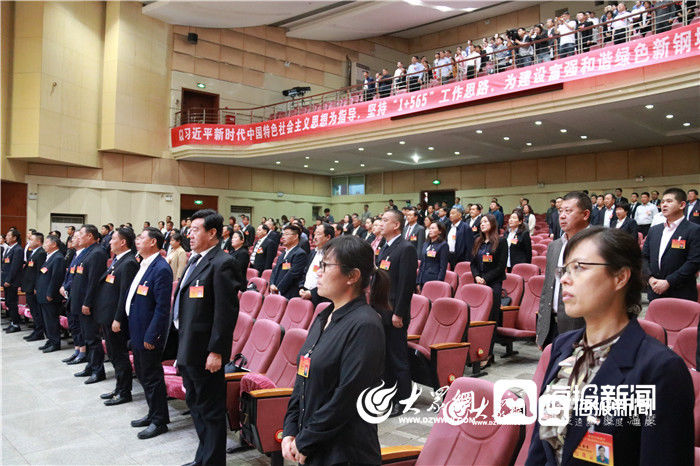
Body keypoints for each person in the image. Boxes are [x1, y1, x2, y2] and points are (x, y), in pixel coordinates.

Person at [526, 227, 694, 466]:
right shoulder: (563, 347)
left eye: (579, 267)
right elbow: (540, 447)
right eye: (564, 270)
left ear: (620, 277)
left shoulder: (660, 370)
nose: (564, 279)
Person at [282, 235, 387, 465]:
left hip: (344, 452)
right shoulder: (323, 316)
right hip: (314, 444)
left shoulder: (365, 325)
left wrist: (305, 441)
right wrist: (290, 429)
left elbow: (347, 397)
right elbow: (302, 377)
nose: (318, 271)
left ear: (352, 276)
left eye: (326, 266)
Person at [173, 209, 240, 465]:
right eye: (189, 230)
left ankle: (212, 461)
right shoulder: (195, 260)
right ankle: (203, 457)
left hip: (205, 352)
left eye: (196, 230)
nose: (189, 235)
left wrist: (217, 351)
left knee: (210, 410)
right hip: (188, 346)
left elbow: (226, 313)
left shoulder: (223, 263)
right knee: (197, 407)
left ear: (212, 233)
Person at [124, 227, 173, 439]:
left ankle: (160, 421)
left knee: (152, 377)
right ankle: (152, 413)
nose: (137, 240)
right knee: (144, 375)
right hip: (137, 329)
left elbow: (162, 308)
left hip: (148, 334)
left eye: (141, 237)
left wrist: (152, 336)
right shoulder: (144, 264)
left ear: (153, 242)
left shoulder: (161, 268)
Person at [536, 191, 591, 349]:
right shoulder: (555, 246)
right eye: (560, 211)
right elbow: (547, 288)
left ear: (585, 214)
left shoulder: (598, 244)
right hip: (552, 326)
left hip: (581, 326)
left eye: (568, 211)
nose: (562, 216)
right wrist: (542, 329)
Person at [376, 209, 417, 417]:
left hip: (395, 313)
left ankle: (404, 398)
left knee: (398, 357)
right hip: (381, 311)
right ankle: (389, 395)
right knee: (385, 357)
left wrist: (399, 313)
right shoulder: (384, 247)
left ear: (396, 225)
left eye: (385, 220)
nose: (380, 223)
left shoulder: (406, 248)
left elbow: (406, 285)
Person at [95, 227, 139, 405]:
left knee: (119, 355)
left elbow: (124, 294)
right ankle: (118, 388)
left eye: (113, 239)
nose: (109, 242)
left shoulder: (128, 262)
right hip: (107, 315)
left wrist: (118, 318)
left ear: (122, 242)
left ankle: (124, 391)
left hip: (116, 318)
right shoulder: (117, 260)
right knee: (113, 354)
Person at [642, 188, 700, 302]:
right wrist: (650, 278)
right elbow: (643, 257)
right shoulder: (654, 230)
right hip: (655, 291)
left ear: (682, 205)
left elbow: (694, 262)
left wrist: (669, 282)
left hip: (681, 293)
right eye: (662, 202)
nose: (664, 205)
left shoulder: (694, 230)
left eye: (669, 201)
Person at [71, 225, 109, 384]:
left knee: (93, 339)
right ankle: (90, 365)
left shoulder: (98, 253)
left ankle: (98, 370)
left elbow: (94, 281)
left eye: (81, 235)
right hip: (80, 301)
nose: (78, 238)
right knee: (87, 337)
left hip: (89, 304)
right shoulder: (87, 252)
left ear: (91, 236)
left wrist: (87, 302)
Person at [471, 214, 507, 324]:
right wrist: (476, 276)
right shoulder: (477, 241)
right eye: (481, 222)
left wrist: (485, 278)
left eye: (485, 222)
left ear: (492, 224)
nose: (482, 224)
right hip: (479, 282)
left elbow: (501, 266)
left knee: (492, 314)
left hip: (493, 282)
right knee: (479, 312)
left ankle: (492, 338)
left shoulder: (501, 241)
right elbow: (473, 264)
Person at [34, 234, 65, 353]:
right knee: (46, 320)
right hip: (43, 294)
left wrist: (50, 293)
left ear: (54, 244)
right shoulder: (49, 256)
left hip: (50, 296)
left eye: (46, 243)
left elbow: (56, 278)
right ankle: (50, 340)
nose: (44, 245)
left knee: (51, 320)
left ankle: (55, 342)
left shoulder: (58, 258)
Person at [269, 224, 308, 299]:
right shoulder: (282, 254)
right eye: (283, 234)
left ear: (295, 236)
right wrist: (272, 284)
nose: (283, 237)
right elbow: (275, 270)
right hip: (276, 292)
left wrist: (278, 289)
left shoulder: (300, 254)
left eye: (286, 234)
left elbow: (292, 275)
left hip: (288, 294)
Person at [21, 232, 47, 342]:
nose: (29, 242)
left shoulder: (41, 253)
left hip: (34, 287)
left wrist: (37, 287)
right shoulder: (34, 252)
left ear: (38, 241)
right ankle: (36, 330)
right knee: (33, 310)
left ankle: (39, 332)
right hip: (29, 286)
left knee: (36, 311)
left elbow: (39, 273)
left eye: (31, 240)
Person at [300, 223, 334, 306]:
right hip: (305, 293)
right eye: (314, 234)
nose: (314, 237)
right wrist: (301, 287)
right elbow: (305, 271)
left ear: (328, 237)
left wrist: (312, 293)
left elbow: (330, 280)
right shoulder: (313, 252)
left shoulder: (333, 255)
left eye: (318, 234)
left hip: (321, 298)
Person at [2, 229, 24, 333]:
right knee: (8, 302)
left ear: (14, 238)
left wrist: (8, 280)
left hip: (12, 281)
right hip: (6, 280)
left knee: (12, 302)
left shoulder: (18, 249)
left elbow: (14, 267)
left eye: (8, 235)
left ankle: (16, 324)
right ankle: (12, 322)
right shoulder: (10, 248)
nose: (6, 237)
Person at [417, 221, 448, 292]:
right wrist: (418, 281)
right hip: (422, 278)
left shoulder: (443, 245)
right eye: (430, 228)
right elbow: (422, 263)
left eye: (433, 228)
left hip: (433, 279)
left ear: (440, 231)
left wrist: (439, 283)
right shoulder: (425, 244)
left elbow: (443, 267)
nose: (430, 230)